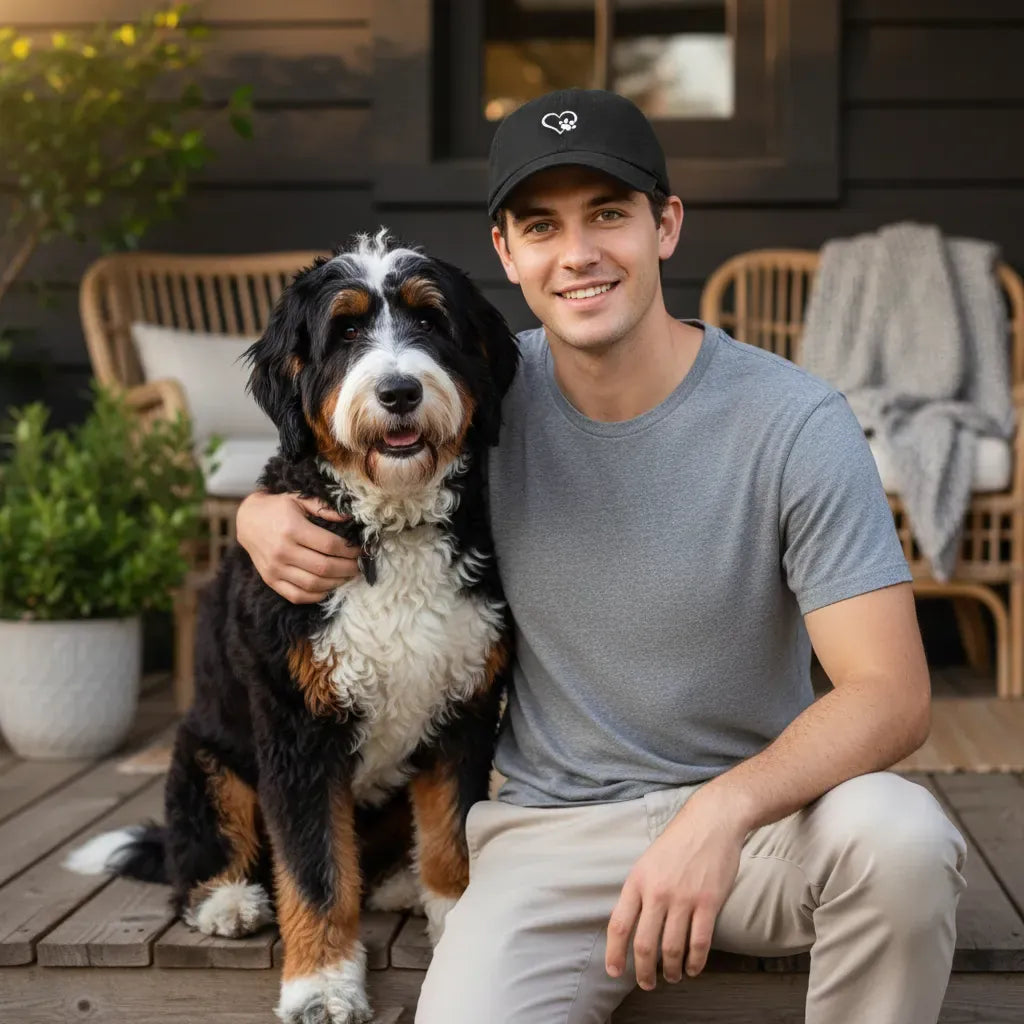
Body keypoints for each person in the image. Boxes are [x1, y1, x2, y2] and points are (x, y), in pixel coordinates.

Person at [235, 89, 966, 1024]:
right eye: (542, 225)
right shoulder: (476, 393)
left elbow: (892, 695)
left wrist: (721, 812)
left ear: (666, 225)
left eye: (608, 215)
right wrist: (260, 514)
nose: (577, 254)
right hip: (551, 841)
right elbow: (347, 453)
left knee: (901, 836)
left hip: (762, 829)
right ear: (507, 252)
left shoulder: (795, 421)